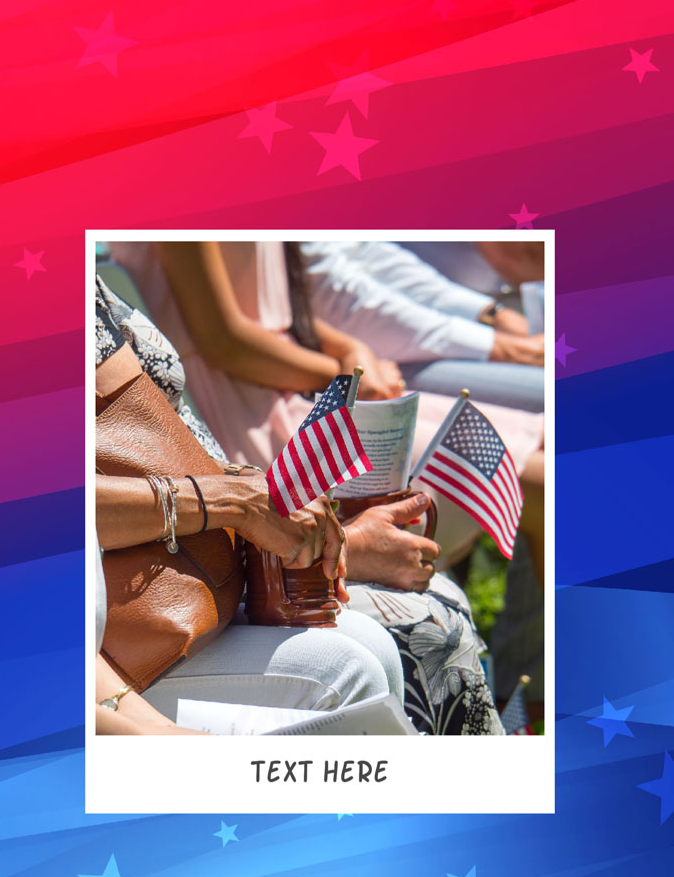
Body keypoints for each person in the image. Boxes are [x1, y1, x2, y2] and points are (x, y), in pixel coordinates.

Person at [96, 272, 504, 735]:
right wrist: (242, 504)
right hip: (130, 619)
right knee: (387, 647)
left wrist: (282, 514)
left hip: (207, 567)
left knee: (405, 626)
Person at [110, 240, 543, 582]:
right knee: (545, 483)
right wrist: (340, 373)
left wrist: (351, 348)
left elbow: (279, 308)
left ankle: (551, 682)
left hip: (291, 379)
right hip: (249, 410)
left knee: (547, 447)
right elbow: (227, 344)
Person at [301, 240, 544, 412]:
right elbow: (335, 299)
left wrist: (490, 315)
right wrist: (506, 347)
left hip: (393, 339)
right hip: (361, 360)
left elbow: (367, 253)